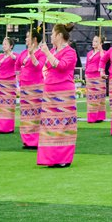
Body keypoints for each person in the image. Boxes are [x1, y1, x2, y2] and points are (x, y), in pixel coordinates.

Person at [37, 24, 78, 168]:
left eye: (53, 34)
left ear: (59, 35)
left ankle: (63, 158)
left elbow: (61, 66)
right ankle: (50, 157)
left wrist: (47, 53)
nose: (51, 36)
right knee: (49, 125)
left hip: (63, 91)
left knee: (63, 125)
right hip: (50, 90)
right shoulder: (53, 51)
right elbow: (46, 66)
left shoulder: (70, 52)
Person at [15, 29, 46, 148]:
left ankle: (36, 140)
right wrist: (18, 77)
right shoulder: (23, 53)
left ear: (34, 40)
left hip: (36, 87)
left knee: (36, 114)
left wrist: (32, 54)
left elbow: (39, 66)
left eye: (28, 37)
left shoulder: (41, 53)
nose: (26, 39)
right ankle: (26, 140)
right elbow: (17, 65)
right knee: (25, 114)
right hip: (24, 87)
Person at [0, 37, 18, 134]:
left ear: (11, 46)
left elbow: (17, 61)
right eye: (3, 44)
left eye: (5, 44)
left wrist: (11, 55)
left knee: (8, 106)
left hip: (10, 84)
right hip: (1, 83)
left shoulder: (14, 56)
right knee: (0, 106)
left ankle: (8, 127)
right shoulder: (0, 57)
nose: (3, 46)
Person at [85, 35, 106, 123]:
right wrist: (85, 75)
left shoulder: (103, 53)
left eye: (96, 41)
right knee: (90, 98)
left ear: (101, 43)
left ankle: (99, 117)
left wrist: (101, 50)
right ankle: (91, 117)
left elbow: (103, 60)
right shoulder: (89, 53)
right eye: (93, 41)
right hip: (89, 76)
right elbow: (86, 65)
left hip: (98, 76)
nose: (94, 43)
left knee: (99, 97)